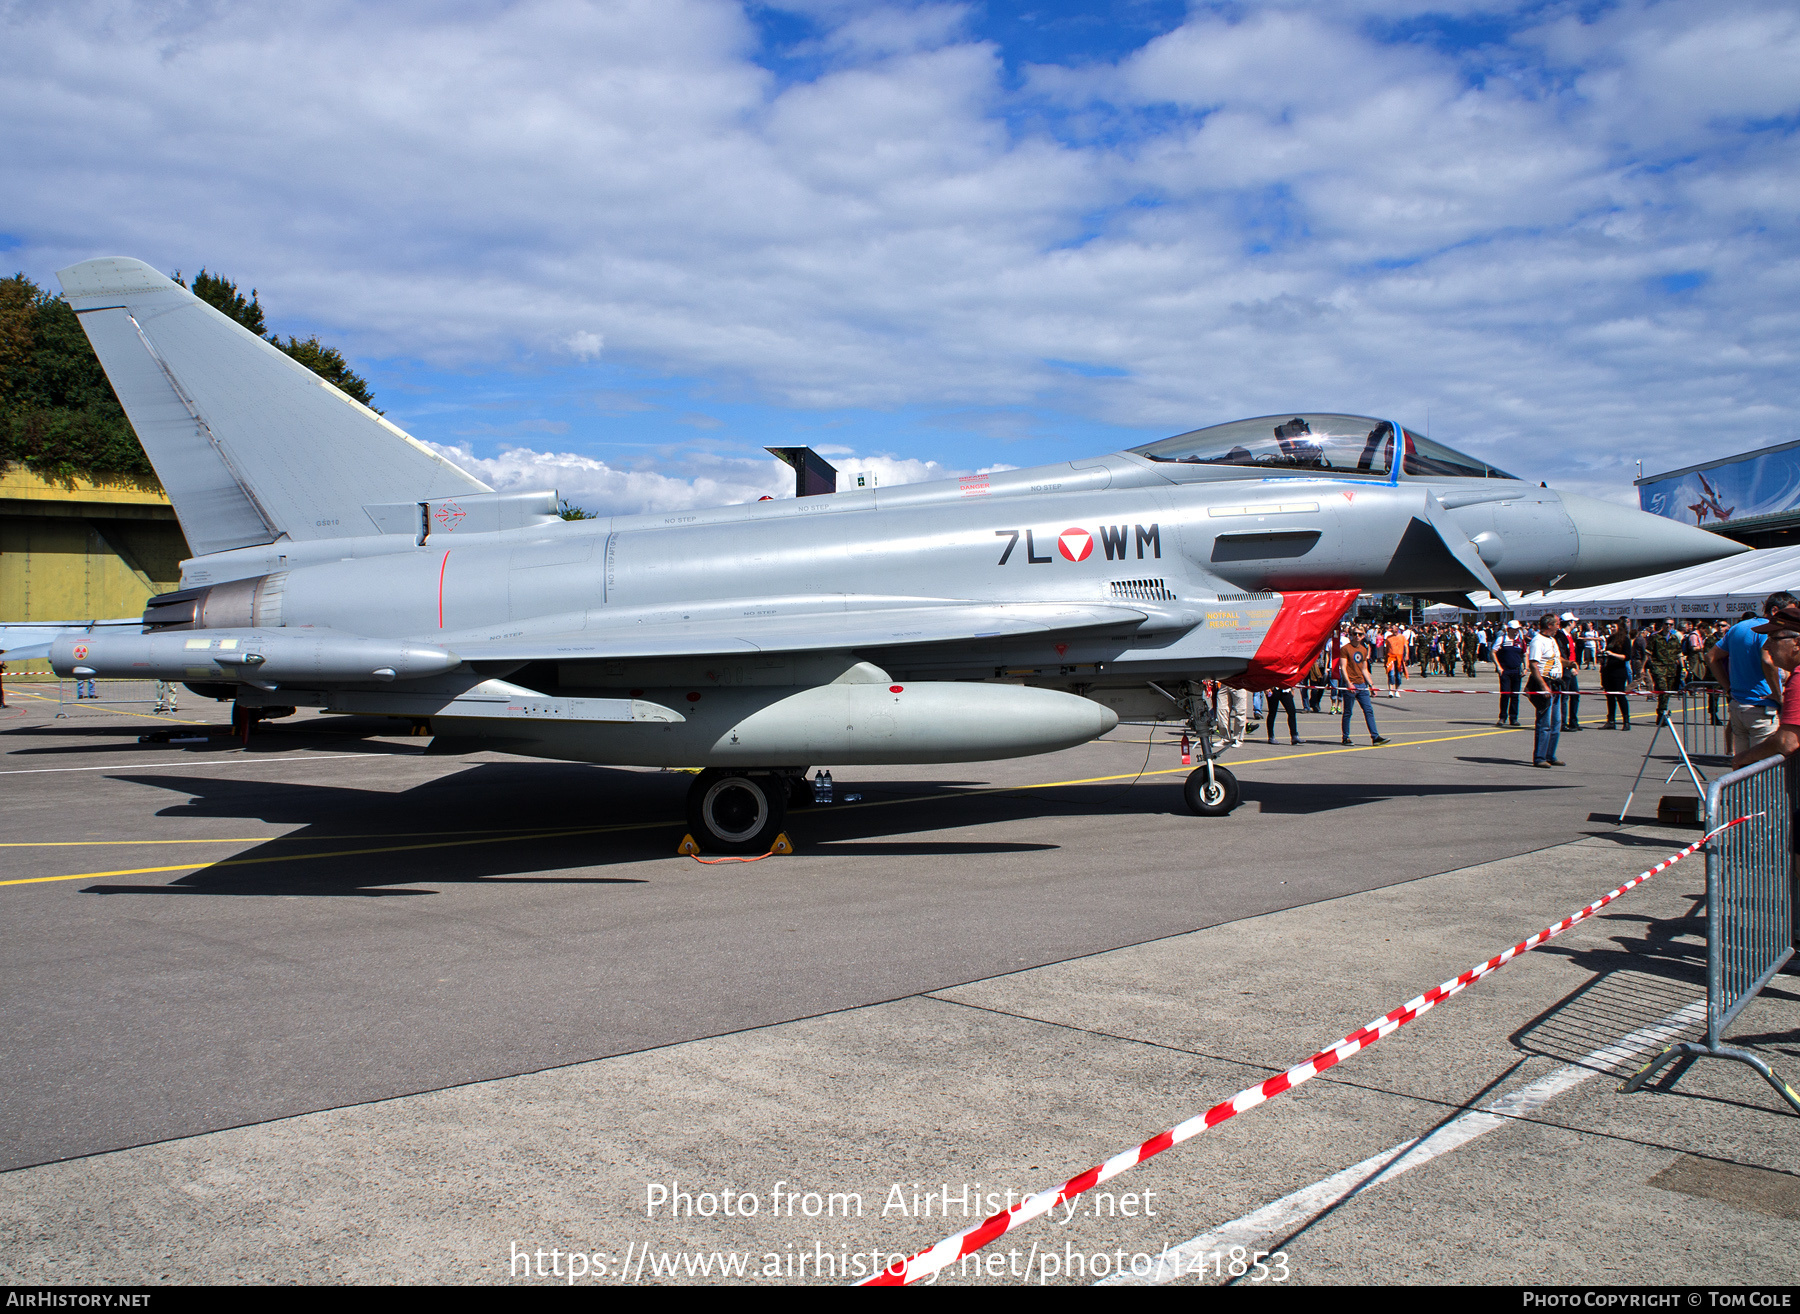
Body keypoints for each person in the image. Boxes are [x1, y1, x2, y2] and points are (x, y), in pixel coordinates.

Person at [1709, 592, 1791, 761]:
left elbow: (1711, 657)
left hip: (1739, 705)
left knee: (1744, 764)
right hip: (1762, 707)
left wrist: (1728, 688)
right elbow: (1767, 661)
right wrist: (1778, 695)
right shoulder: (1769, 630)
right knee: (1764, 767)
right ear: (1775, 611)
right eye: (1789, 613)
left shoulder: (1739, 628)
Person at [1337, 628, 1391, 746]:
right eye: (1354, 634)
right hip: (1351, 685)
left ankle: (1375, 737)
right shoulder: (1345, 649)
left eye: (1360, 634)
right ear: (1350, 635)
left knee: (1368, 710)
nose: (1357, 636)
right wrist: (1348, 683)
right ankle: (1345, 737)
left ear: (1363, 636)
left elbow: (1364, 669)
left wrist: (1371, 685)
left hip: (1362, 684)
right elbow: (1343, 667)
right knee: (1348, 712)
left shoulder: (1363, 649)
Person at [1526, 613, 1565, 767]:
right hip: (1544, 683)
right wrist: (1543, 686)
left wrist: (1569, 663)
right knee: (1544, 723)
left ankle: (1550, 755)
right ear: (1549, 625)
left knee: (1556, 722)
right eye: (1557, 624)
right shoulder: (1537, 641)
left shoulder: (1552, 640)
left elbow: (1556, 659)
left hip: (1555, 684)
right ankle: (1540, 757)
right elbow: (1533, 665)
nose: (1558, 627)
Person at [1645, 616, 1685, 721]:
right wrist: (1642, 667)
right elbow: (1648, 652)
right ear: (1663, 625)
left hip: (1671, 669)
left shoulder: (1674, 638)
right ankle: (1662, 713)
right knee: (1662, 689)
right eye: (1666, 624)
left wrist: (1684, 667)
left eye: (1670, 624)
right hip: (1658, 668)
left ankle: (1662, 711)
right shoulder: (1655, 637)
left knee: (1668, 692)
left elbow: (1679, 654)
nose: (1668, 626)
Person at [1600, 619, 1633, 729]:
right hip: (1608, 670)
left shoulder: (1625, 640)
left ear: (1619, 627)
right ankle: (1611, 720)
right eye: (1611, 627)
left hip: (1619, 671)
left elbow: (1626, 657)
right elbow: (1608, 652)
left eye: (1613, 627)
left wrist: (1613, 654)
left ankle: (1626, 721)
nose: (1611, 629)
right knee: (1610, 696)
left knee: (1620, 696)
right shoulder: (1610, 638)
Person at [1495, 619, 1525, 726]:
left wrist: (1525, 667)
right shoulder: (1502, 639)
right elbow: (1493, 652)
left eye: (1517, 629)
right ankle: (1502, 717)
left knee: (1515, 695)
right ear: (1509, 629)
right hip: (1505, 670)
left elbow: (1524, 654)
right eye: (1514, 629)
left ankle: (1514, 718)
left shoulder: (1520, 641)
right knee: (1505, 694)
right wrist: (1498, 666)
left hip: (1516, 670)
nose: (1516, 631)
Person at [1556, 613, 1583, 731]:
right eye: (1574, 622)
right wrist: (1569, 666)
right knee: (1564, 697)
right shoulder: (1560, 636)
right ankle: (1562, 722)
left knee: (1575, 695)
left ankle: (1573, 721)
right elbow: (1562, 653)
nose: (1575, 624)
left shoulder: (1570, 636)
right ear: (1569, 622)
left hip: (1571, 669)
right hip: (1565, 669)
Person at [1266, 680, 1302, 745]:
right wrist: (1266, 687)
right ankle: (1271, 736)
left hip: (1285, 688)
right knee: (1272, 712)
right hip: (1273, 688)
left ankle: (1294, 735)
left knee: (1292, 711)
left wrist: (1292, 688)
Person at [1384, 626, 1407, 697]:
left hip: (1399, 657)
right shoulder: (1389, 637)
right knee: (1390, 674)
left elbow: (1406, 646)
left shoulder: (1402, 637)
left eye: (1393, 629)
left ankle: (1397, 690)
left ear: (1397, 630)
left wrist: (1406, 656)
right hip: (1390, 657)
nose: (1392, 631)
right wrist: (1385, 658)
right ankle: (1391, 690)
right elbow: (1386, 648)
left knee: (1398, 675)